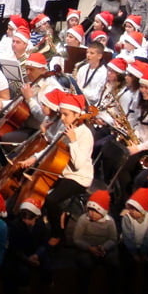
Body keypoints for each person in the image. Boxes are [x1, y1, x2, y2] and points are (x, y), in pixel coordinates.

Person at [18, 92, 94, 245]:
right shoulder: (67, 128)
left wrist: (73, 142)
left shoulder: (85, 134)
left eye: (66, 114)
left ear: (77, 114)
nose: (62, 118)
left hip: (78, 178)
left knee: (51, 199)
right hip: (60, 172)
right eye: (61, 114)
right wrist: (34, 157)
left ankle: (57, 234)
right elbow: (53, 148)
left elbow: (78, 165)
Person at [73, 190, 119, 294]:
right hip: (87, 250)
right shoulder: (83, 220)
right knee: (85, 266)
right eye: (90, 210)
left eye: (96, 211)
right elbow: (77, 239)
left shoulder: (110, 222)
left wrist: (104, 247)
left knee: (114, 266)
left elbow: (113, 239)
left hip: (104, 250)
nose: (92, 214)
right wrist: (89, 248)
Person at [118, 187, 148, 294]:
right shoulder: (127, 218)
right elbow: (128, 237)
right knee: (129, 268)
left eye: (135, 209)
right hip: (128, 248)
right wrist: (135, 254)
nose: (131, 211)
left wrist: (143, 253)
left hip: (144, 248)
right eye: (130, 208)